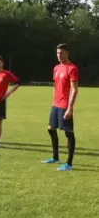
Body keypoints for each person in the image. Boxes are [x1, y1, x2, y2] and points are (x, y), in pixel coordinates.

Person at [42, 43, 79, 171]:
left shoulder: (72, 68)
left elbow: (74, 89)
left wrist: (70, 107)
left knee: (68, 133)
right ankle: (55, 157)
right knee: (51, 128)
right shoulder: (56, 68)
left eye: (61, 53)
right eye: (57, 53)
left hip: (65, 105)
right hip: (56, 104)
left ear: (67, 53)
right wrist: (53, 101)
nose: (59, 55)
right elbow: (55, 86)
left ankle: (69, 163)